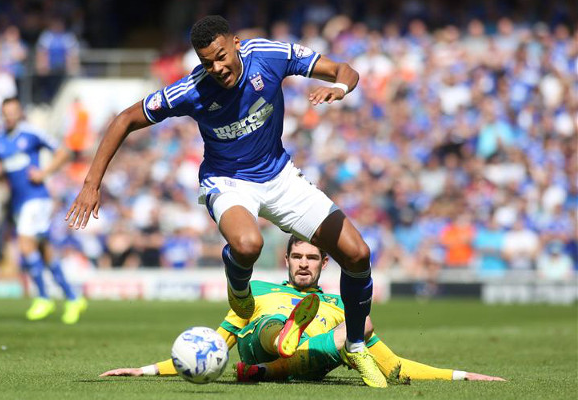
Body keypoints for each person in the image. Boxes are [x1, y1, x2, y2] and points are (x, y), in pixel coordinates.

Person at [66, 15, 384, 386]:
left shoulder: (269, 54)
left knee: (358, 253)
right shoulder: (192, 90)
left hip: (280, 176)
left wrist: (341, 89)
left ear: (235, 43)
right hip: (228, 182)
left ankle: (357, 346)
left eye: (220, 56)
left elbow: (343, 70)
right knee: (248, 244)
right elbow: (125, 119)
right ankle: (239, 293)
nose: (216, 68)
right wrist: (91, 183)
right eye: (206, 62)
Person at [100, 236, 504, 383]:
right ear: (288, 259)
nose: (305, 263)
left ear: (324, 264)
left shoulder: (335, 304)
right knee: (272, 325)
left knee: (358, 325)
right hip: (262, 343)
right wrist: (147, 369)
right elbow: (213, 344)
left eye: (313, 257)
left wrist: (460, 374)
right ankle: (284, 340)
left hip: (310, 356)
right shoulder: (255, 290)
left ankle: (294, 355)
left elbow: (394, 366)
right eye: (298, 257)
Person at [0, 97, 87, 324]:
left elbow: (64, 152)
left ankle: (43, 297)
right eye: (6, 113)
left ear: (20, 112)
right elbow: (0, 169)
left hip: (37, 198)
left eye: (14, 111)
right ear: (2, 115)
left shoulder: (31, 134)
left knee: (25, 243)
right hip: (18, 202)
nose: (10, 116)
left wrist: (44, 173)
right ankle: (73, 297)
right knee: (44, 249)